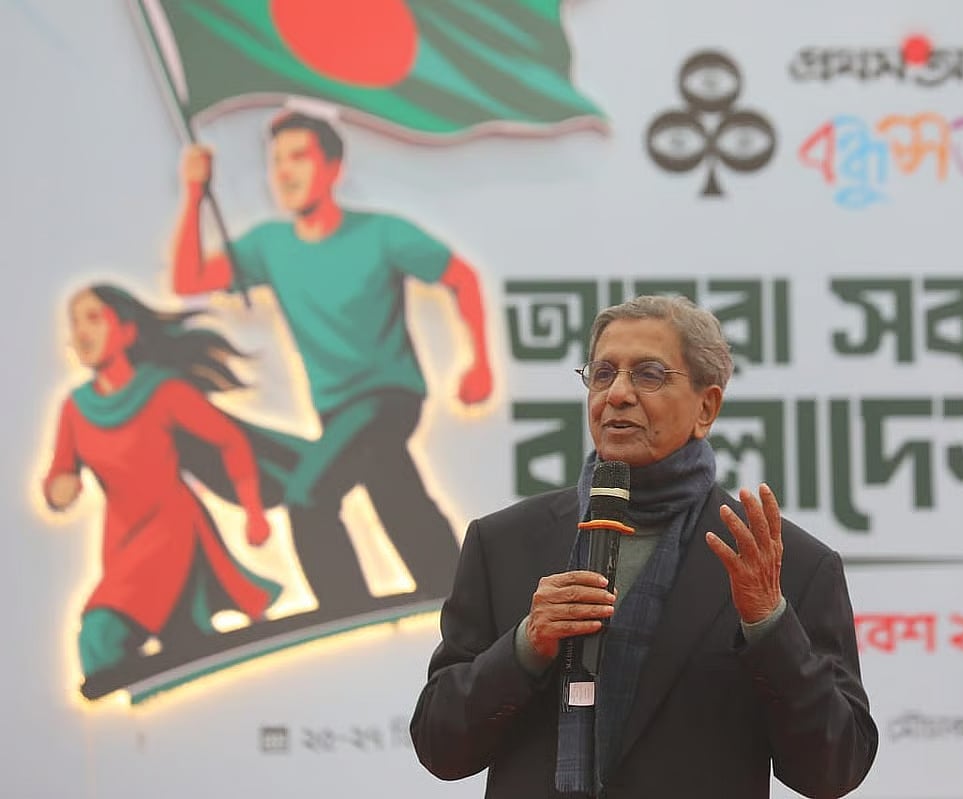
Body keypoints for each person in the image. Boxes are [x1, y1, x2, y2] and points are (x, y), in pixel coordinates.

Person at [411, 295, 877, 798]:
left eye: (650, 375)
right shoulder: (503, 544)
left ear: (707, 406)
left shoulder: (781, 564)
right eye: (603, 373)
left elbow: (835, 769)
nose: (618, 394)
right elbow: (441, 746)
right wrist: (525, 647)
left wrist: (768, 624)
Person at [171, 110, 493, 613]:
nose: (285, 172)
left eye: (298, 157)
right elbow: (189, 279)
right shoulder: (269, 246)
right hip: (336, 411)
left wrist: (480, 365)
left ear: (333, 168)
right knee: (394, 488)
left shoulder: (381, 234)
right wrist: (194, 194)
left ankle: (345, 608)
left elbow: (462, 278)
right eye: (276, 161)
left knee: (308, 498)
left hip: (388, 396)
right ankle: (458, 596)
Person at [42, 284, 283, 692]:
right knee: (185, 636)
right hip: (121, 540)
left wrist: (254, 511)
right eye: (75, 322)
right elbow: (61, 471)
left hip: (170, 530)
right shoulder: (76, 407)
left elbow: (230, 440)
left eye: (94, 318)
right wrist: (58, 489)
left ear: (128, 332)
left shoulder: (162, 391)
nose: (81, 332)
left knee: (101, 630)